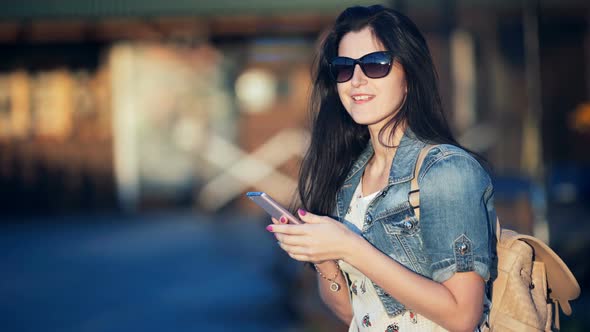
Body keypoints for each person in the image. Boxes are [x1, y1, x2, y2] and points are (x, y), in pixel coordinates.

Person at [266, 5, 495, 332]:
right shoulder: (350, 179)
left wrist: (349, 246)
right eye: (344, 68)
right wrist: (322, 254)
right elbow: (353, 314)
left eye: (375, 65)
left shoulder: (447, 171)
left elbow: (462, 315)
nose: (356, 80)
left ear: (409, 75)